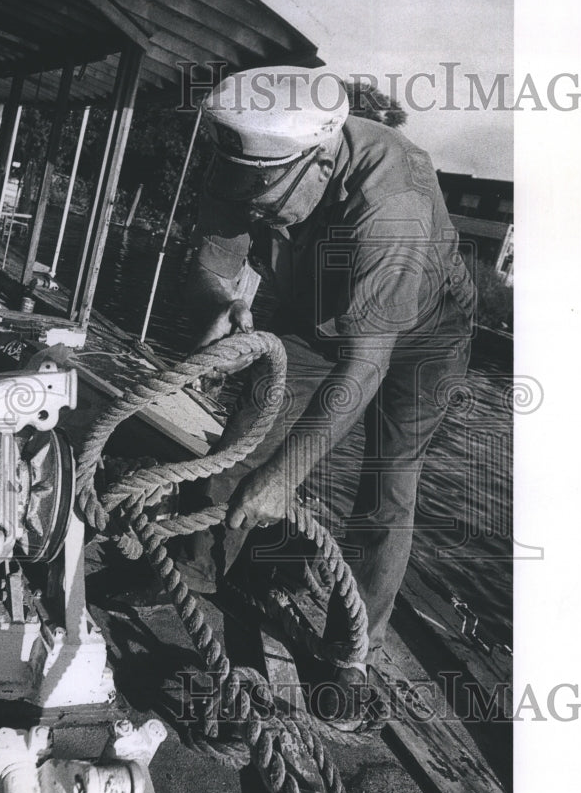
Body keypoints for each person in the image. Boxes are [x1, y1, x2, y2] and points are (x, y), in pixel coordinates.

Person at [177, 66, 475, 723]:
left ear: (319, 163)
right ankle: (195, 568)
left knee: (389, 480)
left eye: (266, 199)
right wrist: (220, 302)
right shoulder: (246, 160)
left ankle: (350, 653)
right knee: (253, 421)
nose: (253, 209)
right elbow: (213, 260)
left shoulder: (392, 201)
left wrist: (284, 478)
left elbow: (364, 367)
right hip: (316, 305)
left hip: (423, 336)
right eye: (244, 192)